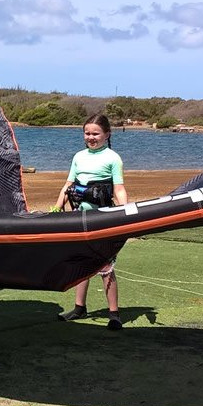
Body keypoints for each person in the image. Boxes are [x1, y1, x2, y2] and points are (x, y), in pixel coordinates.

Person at [52, 114, 129, 331]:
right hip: (79, 218)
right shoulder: (78, 157)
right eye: (87, 133)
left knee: (105, 267)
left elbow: (119, 189)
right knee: (81, 264)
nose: (91, 137)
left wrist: (128, 213)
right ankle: (79, 308)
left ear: (107, 134)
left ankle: (114, 314)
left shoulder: (113, 158)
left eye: (96, 133)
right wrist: (57, 208)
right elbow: (67, 185)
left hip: (103, 219)